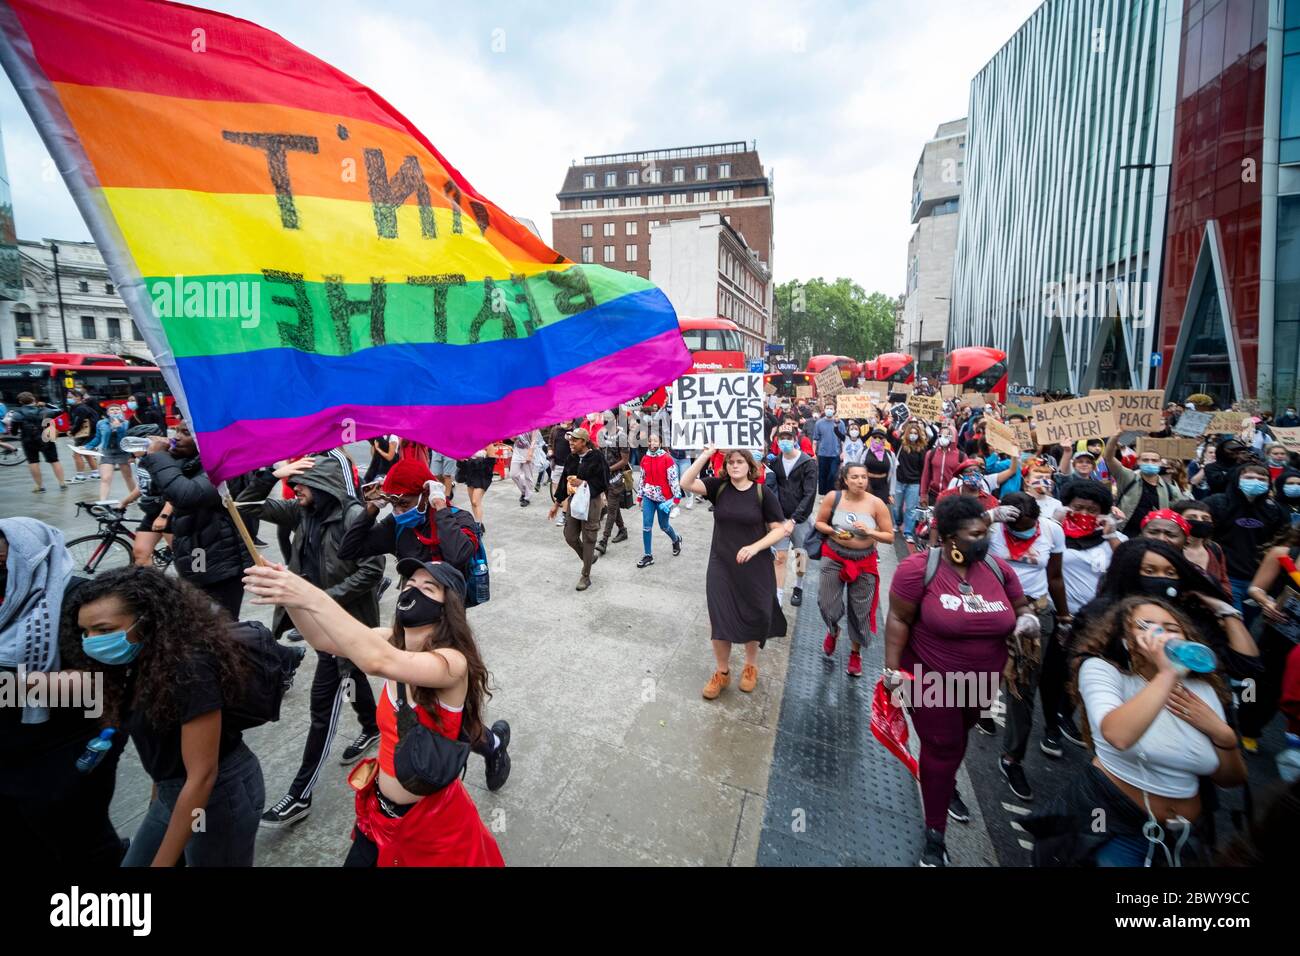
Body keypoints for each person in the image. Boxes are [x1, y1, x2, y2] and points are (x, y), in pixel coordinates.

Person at [244, 559, 505, 866]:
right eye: (409, 585)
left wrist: (309, 594)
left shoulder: (452, 662)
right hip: (378, 816)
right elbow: (322, 640)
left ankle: (496, 747)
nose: (413, 591)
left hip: (431, 827)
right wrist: (290, 598)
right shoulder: (392, 640)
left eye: (428, 588)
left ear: (447, 607)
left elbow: (376, 661)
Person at [62, 566, 266, 866]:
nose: (91, 642)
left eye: (104, 630)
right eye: (85, 632)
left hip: (216, 799)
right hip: (173, 794)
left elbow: (202, 775)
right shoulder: (136, 661)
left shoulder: (189, 669)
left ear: (148, 621)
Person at [1024, 596, 1246, 866]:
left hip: (1183, 836)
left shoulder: (1205, 689)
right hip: (1112, 824)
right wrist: (1168, 674)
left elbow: (1230, 779)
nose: (1161, 634)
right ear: (1127, 640)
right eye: (1147, 626)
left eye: (1172, 628)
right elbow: (1119, 735)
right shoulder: (1103, 672)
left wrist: (1223, 736)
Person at [884, 495, 1032, 865]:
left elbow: (1021, 607)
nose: (984, 539)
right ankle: (935, 835)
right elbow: (899, 619)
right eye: (976, 534)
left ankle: (944, 784)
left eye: (986, 532)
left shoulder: (999, 570)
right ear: (950, 538)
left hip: (982, 685)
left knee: (957, 740)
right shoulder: (918, 570)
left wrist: (1027, 621)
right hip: (930, 681)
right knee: (942, 745)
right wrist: (891, 671)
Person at [247, 455, 387, 828]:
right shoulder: (303, 512)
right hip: (317, 621)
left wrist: (322, 599)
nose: (296, 491)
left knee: (322, 709)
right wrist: (268, 474)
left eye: (303, 485)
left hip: (347, 625)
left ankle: (300, 794)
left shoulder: (354, 516)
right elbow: (249, 506)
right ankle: (372, 726)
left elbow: (373, 570)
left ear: (326, 485)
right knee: (352, 675)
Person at [1, 519, 129, 867]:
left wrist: (12, 685)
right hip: (11, 750)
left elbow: (105, 684)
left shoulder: (78, 600)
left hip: (67, 749)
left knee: (80, 840)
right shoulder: (5, 598)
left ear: (30, 557)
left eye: (1, 554)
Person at [680, 445, 787, 700]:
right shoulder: (719, 487)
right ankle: (722, 672)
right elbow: (686, 482)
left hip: (755, 565)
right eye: (730, 462)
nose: (734, 466)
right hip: (721, 564)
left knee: (757, 613)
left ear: (750, 466)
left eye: (739, 461)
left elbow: (779, 529)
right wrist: (706, 454)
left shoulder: (763, 492)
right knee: (720, 618)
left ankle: (750, 666)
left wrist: (755, 547)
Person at [1075, 537, 1260, 684]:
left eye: (1170, 573)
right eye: (1149, 571)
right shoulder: (1099, 614)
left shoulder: (1193, 615)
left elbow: (1246, 668)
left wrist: (1225, 610)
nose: (1161, 579)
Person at [984, 493, 1071, 798]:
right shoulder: (992, 527)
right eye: (1014, 525)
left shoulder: (1051, 530)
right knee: (981, 675)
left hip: (1034, 616)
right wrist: (988, 519)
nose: (1021, 530)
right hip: (991, 611)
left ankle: (1012, 759)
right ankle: (981, 706)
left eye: (1026, 525)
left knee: (1023, 689)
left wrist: (1063, 618)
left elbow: (1056, 576)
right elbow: (953, 542)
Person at [138, 422, 254, 617]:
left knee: (219, 623)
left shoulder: (226, 465)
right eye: (176, 430)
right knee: (198, 605)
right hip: (198, 551)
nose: (176, 437)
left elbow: (187, 495)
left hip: (220, 560)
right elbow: (163, 490)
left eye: (186, 432)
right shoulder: (191, 462)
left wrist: (158, 457)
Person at [814, 463, 893, 676]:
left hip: (864, 561)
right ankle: (833, 629)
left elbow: (889, 536)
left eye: (864, 477)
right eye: (855, 477)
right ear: (845, 479)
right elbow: (819, 522)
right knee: (826, 602)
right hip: (834, 556)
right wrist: (833, 531)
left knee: (861, 611)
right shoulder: (833, 497)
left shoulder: (876, 504)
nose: (860, 481)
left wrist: (871, 532)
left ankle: (855, 653)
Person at [339, 457, 480, 569]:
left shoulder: (460, 519)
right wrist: (370, 510)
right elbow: (348, 550)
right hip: (412, 601)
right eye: (393, 505)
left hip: (450, 603)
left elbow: (458, 557)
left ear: (425, 495)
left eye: (404, 504)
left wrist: (440, 505)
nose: (399, 512)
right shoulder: (395, 525)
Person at [1205, 460, 1287, 620]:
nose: (1256, 482)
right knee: (1234, 625)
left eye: (1262, 479)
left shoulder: (1274, 510)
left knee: (1252, 627)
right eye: (1249, 477)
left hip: (1259, 582)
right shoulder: (1217, 503)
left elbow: (1282, 542)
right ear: (1237, 479)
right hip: (1227, 577)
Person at [1242, 525, 1300, 751]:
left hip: (1298, 644)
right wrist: (1266, 603)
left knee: (1286, 688)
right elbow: (1255, 588)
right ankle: (1245, 722)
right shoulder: (1283, 554)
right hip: (1274, 631)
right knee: (1255, 681)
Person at [549, 427, 610, 592]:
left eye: (574, 440)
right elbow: (563, 481)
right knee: (569, 536)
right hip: (575, 502)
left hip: (592, 502)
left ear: (584, 441)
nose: (571, 443)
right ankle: (588, 557)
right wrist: (557, 503)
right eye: (570, 440)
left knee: (589, 538)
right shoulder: (571, 458)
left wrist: (583, 483)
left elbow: (604, 481)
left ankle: (586, 575)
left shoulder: (597, 457)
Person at [770, 422, 818, 607]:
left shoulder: (808, 463)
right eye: (782, 438)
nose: (785, 441)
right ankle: (778, 598)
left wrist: (794, 519)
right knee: (779, 558)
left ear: (795, 439)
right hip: (780, 519)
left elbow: (809, 494)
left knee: (800, 555)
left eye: (788, 438)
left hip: (800, 520)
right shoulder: (774, 462)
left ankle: (798, 586)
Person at [1104, 434, 1188, 535]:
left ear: (1160, 463)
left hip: (1153, 537)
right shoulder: (1128, 477)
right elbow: (1108, 458)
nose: (1150, 463)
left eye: (1154, 460)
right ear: (1138, 461)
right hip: (1124, 534)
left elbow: (1181, 513)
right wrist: (1116, 436)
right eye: (1145, 460)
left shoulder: (1171, 490)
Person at [633, 431, 682, 568]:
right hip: (649, 497)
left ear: (660, 443)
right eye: (650, 440)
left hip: (663, 500)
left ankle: (676, 539)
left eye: (655, 441)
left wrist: (676, 499)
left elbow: (673, 480)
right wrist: (639, 497)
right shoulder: (644, 458)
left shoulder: (667, 459)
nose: (652, 443)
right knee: (646, 526)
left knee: (664, 526)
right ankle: (648, 555)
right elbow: (642, 479)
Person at [9, 391, 66, 492]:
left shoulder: (17, 413)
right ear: (33, 399)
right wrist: (46, 404)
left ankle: (39, 486)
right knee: (54, 460)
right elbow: (61, 410)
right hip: (47, 437)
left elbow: (13, 432)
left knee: (33, 462)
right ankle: (62, 483)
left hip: (28, 440)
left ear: (21, 401)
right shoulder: (45, 410)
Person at [82, 402, 139, 504]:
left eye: (117, 409)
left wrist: (118, 427)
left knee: (128, 476)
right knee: (105, 478)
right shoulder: (101, 423)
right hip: (107, 452)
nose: (114, 411)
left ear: (121, 412)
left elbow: (125, 439)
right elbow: (98, 438)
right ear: (108, 412)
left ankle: (134, 498)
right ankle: (103, 502)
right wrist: (87, 446)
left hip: (123, 452)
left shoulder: (126, 423)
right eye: (111, 410)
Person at [1171, 498, 1232, 592]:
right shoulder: (1170, 549)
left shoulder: (1215, 549)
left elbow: (1224, 583)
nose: (1200, 521)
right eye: (1192, 517)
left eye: (1205, 518)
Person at [596, 416, 631, 555]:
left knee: (611, 509)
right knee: (613, 506)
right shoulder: (602, 434)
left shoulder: (622, 437)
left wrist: (608, 469)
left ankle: (604, 541)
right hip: (604, 477)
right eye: (604, 421)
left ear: (616, 420)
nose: (606, 423)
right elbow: (600, 453)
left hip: (616, 478)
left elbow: (624, 460)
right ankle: (622, 530)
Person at [893, 425, 928, 542]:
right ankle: (898, 522)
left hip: (914, 483)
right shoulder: (900, 445)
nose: (913, 435)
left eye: (915, 433)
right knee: (897, 507)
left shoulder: (922, 449)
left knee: (911, 509)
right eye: (911, 432)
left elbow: (923, 468)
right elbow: (891, 435)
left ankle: (908, 532)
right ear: (907, 433)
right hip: (899, 481)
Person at [920, 424, 962, 509]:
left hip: (952, 497)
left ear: (953, 437)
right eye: (941, 435)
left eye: (946, 436)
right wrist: (923, 494)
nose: (943, 438)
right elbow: (925, 475)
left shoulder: (961, 456)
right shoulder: (931, 453)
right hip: (933, 494)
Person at [66, 389, 101, 482]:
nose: (68, 399)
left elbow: (78, 422)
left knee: (76, 454)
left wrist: (72, 431)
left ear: (78, 398)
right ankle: (95, 473)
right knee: (87, 454)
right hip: (89, 433)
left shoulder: (80, 408)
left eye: (70, 397)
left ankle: (80, 476)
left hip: (85, 434)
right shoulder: (81, 407)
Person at [812, 404, 846, 494]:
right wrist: (813, 453)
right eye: (827, 408)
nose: (829, 410)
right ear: (824, 409)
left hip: (835, 453)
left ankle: (831, 494)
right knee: (823, 475)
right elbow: (815, 440)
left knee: (833, 475)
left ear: (834, 410)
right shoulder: (819, 423)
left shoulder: (840, 423)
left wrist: (843, 452)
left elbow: (843, 440)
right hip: (822, 453)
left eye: (831, 408)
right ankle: (824, 494)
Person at [455, 447, 494, 525]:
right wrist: (461, 460)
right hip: (470, 475)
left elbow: (490, 463)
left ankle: (478, 525)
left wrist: (472, 461)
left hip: (482, 476)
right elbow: (462, 464)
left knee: (475, 501)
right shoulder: (468, 443)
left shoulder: (488, 444)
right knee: (473, 503)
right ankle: (478, 522)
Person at [861, 427, 895, 503]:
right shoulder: (864, 451)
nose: (877, 439)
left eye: (880, 437)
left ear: (884, 440)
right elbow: (857, 468)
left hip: (882, 487)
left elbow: (893, 475)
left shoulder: (890, 454)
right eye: (875, 437)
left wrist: (891, 493)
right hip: (867, 486)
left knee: (880, 510)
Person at [508, 430, 540, 508]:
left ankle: (527, 498)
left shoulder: (533, 424)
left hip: (528, 450)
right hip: (517, 451)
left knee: (528, 476)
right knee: (513, 474)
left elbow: (534, 440)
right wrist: (513, 437)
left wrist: (530, 453)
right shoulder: (517, 423)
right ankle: (524, 491)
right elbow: (512, 439)